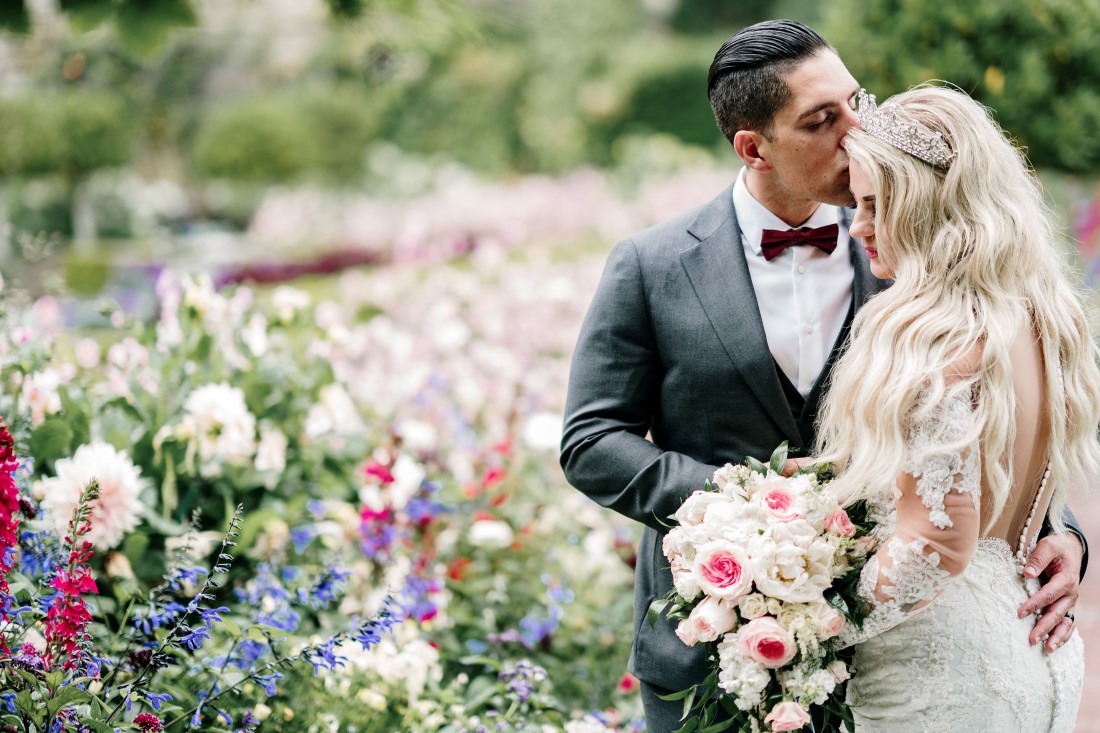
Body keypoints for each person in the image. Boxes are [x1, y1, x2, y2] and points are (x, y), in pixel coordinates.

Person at [558, 19, 1088, 732]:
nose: (858, 132)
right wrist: (748, 510)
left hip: (900, 649)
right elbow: (591, 439)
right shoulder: (650, 265)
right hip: (721, 640)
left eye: (856, 102)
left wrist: (1059, 533)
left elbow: (979, 431)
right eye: (821, 120)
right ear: (754, 146)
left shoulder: (917, 252)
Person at [807, 84, 1095, 731]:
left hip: (940, 679)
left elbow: (936, 542)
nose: (858, 226)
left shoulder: (935, 336)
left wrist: (809, 618)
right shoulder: (1042, 314)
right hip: (1032, 651)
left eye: (877, 205)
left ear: (930, 208)